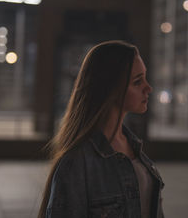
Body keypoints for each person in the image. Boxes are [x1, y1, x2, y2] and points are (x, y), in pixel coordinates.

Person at [38, 40, 164, 218]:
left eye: (145, 78)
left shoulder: (134, 146)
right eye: (137, 82)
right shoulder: (77, 162)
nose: (148, 88)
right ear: (110, 88)